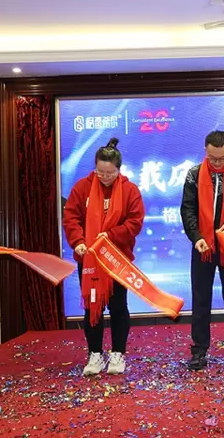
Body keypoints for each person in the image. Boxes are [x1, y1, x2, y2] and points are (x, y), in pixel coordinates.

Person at [63, 138, 144, 376]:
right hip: (90, 260)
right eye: (100, 172)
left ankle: (118, 353)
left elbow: (135, 222)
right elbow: (71, 218)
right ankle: (95, 354)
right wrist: (78, 242)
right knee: (93, 308)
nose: (105, 177)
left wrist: (109, 236)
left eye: (110, 173)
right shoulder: (82, 188)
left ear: (119, 169)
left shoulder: (129, 190)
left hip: (117, 259)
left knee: (118, 306)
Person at [180, 131, 224, 371]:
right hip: (203, 245)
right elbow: (187, 209)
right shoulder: (193, 174)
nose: (218, 163)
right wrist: (197, 237)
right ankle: (199, 350)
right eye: (213, 158)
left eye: (222, 158)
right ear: (206, 151)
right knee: (201, 298)